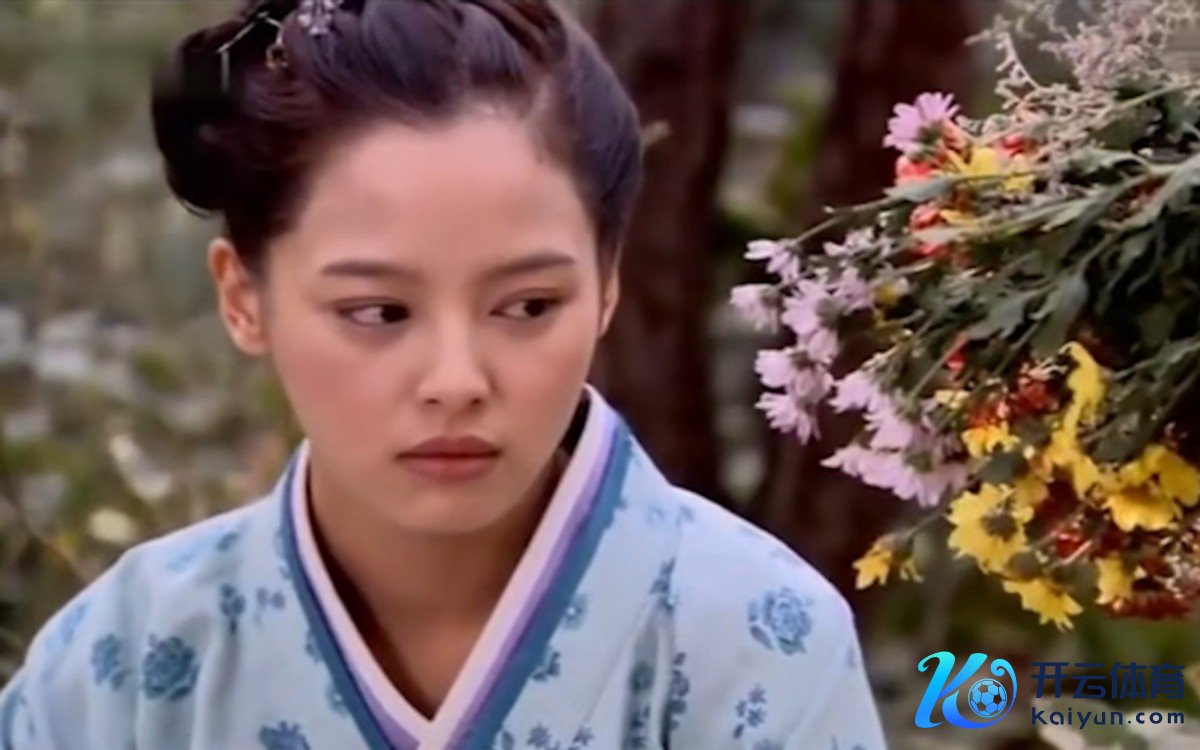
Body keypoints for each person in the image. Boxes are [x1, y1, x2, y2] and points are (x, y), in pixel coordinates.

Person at [0, 0, 887, 747]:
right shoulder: (124, 663)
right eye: (379, 312)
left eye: (528, 305)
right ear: (245, 299)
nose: (457, 381)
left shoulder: (760, 639)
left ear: (607, 286)